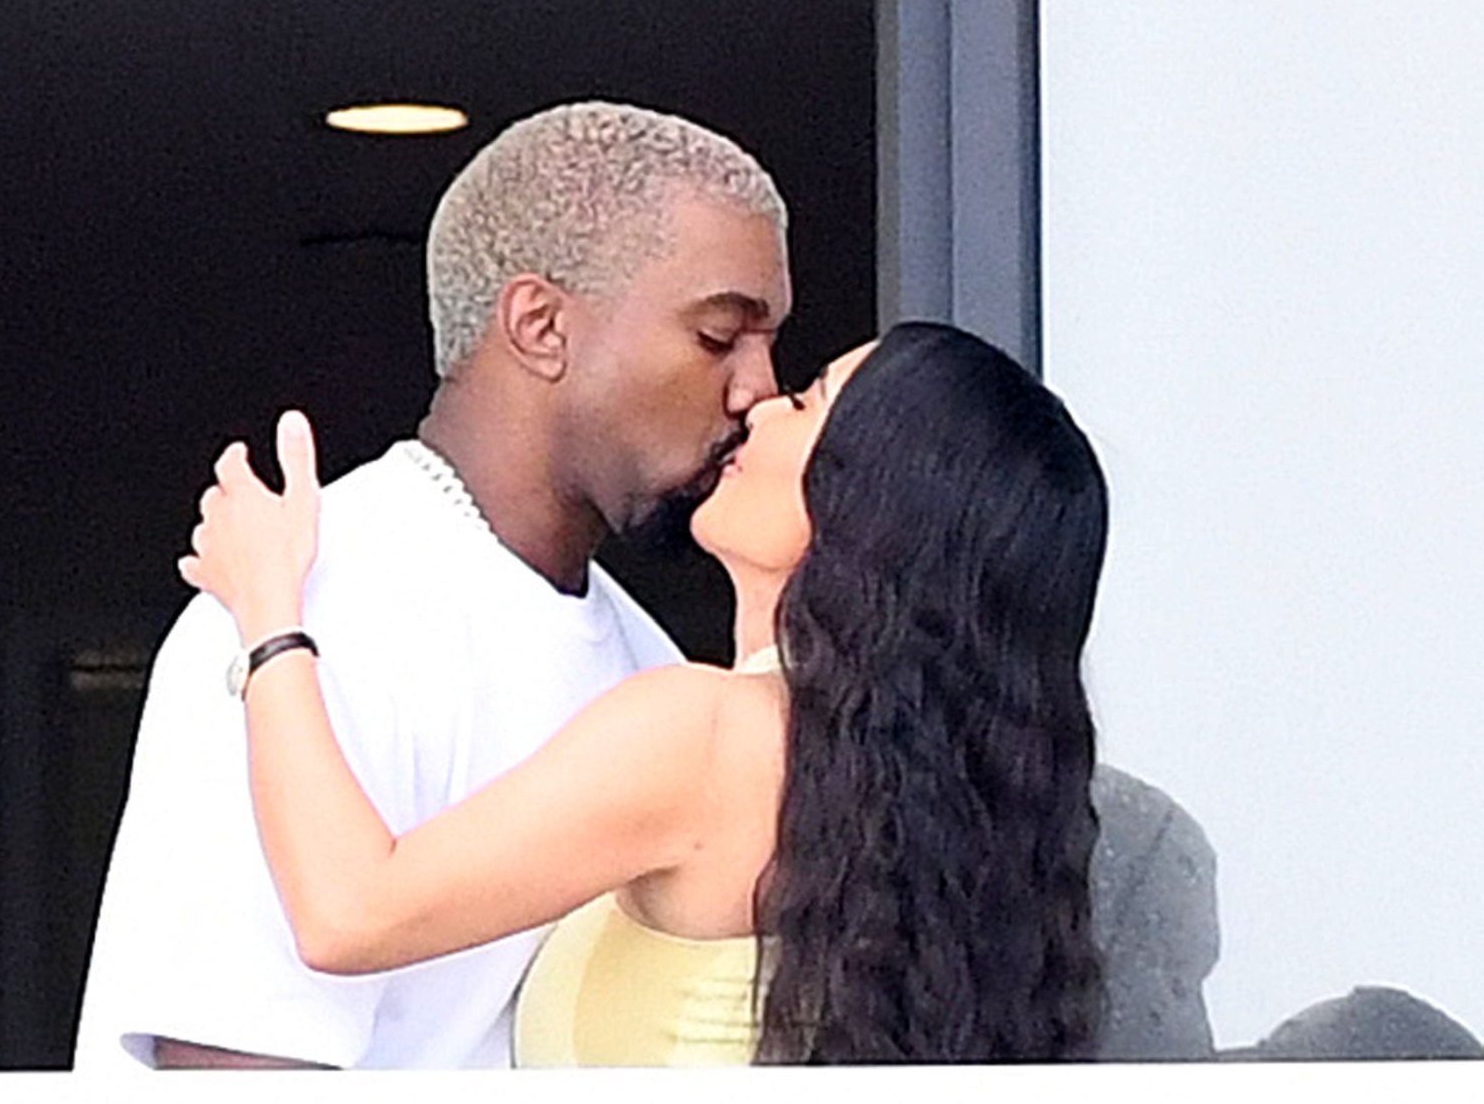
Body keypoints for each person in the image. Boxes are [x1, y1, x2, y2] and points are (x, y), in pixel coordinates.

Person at [73, 100, 792, 1072]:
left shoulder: (650, 662)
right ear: (541, 326)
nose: (759, 389)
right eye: (718, 335)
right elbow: (236, 1087)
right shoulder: (303, 608)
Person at [179, 321, 1110, 1065]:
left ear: (873, 502)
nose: (762, 409)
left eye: (808, 401)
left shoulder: (706, 735)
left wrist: (269, 612)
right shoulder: (908, 803)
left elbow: (349, 912)